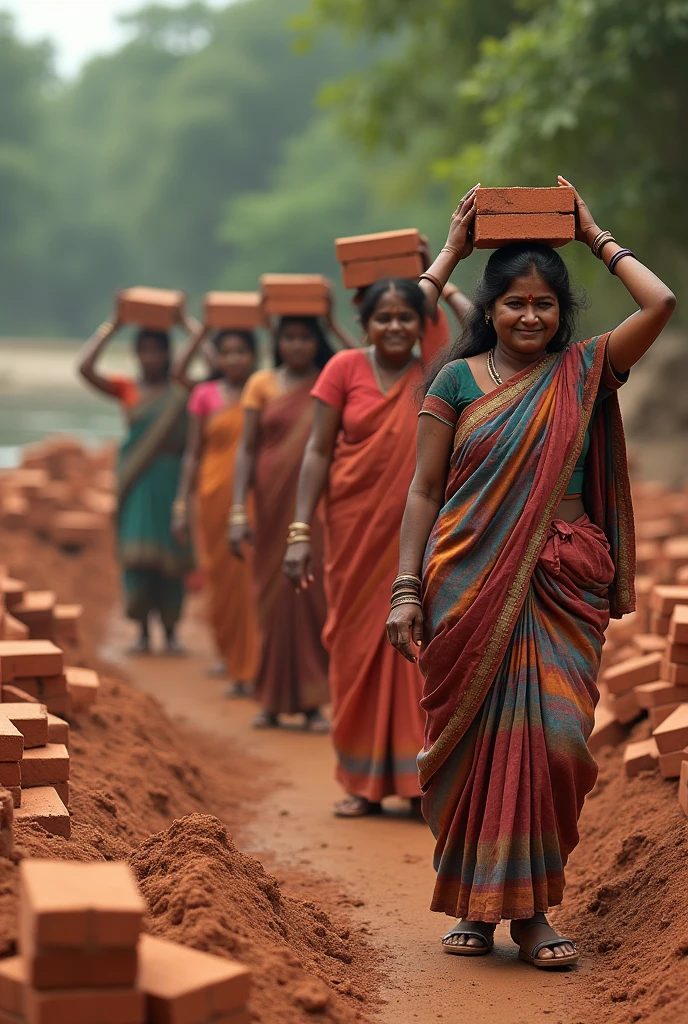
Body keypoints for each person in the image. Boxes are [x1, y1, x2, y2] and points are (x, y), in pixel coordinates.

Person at [387, 177, 676, 966]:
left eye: (544, 305)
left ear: (561, 314)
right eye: (514, 303)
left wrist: (594, 235)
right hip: (464, 585)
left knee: (555, 746)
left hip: (558, 586)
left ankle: (536, 912)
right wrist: (406, 588)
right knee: (474, 749)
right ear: (491, 309)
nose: (529, 316)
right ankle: (479, 913)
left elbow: (661, 305)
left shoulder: (585, 370)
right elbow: (423, 489)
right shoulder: (454, 380)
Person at [283, 278, 449, 817]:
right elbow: (316, 450)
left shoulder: (437, 369)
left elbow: (478, 324)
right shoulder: (344, 369)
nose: (396, 326)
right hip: (353, 532)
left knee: (417, 650)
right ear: (365, 325)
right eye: (384, 317)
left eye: (407, 316)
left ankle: (417, 779)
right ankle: (360, 781)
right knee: (354, 649)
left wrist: (440, 262)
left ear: (422, 322)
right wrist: (299, 531)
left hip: (419, 536)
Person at [230, 314, 335, 731]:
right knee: (270, 601)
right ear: (277, 342)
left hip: (314, 505)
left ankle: (312, 703)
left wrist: (329, 318)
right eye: (288, 338)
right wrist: (238, 510)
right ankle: (270, 700)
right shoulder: (262, 383)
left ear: (317, 341)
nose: (297, 346)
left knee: (312, 597)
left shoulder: (331, 376)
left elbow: (360, 353)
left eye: (306, 338)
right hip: (269, 504)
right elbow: (246, 448)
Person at [78, 311, 196, 654]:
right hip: (135, 480)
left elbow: (215, 367)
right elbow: (84, 369)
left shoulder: (181, 388)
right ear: (136, 354)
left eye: (157, 350)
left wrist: (189, 325)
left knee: (173, 559)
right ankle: (142, 631)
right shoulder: (127, 387)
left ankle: (171, 632)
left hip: (172, 479)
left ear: (168, 353)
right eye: (144, 350)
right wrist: (112, 325)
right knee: (137, 559)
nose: (150, 357)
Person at [172, 327, 260, 696]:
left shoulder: (262, 390)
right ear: (217, 357)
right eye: (227, 352)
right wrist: (181, 503)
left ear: (255, 355)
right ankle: (229, 654)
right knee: (221, 580)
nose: (234, 359)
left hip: (254, 499)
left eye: (242, 351)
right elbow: (193, 453)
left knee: (250, 582)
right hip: (211, 498)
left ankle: (251, 666)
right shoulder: (204, 394)